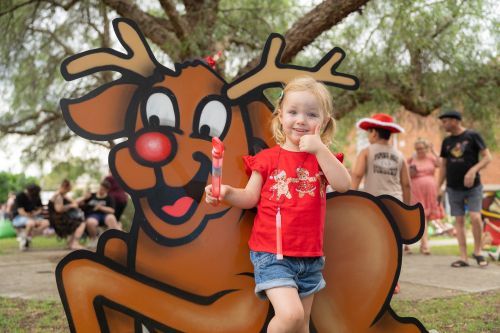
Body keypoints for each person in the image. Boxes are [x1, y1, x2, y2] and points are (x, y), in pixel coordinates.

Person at [205, 76, 351, 333]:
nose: (301, 120)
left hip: (311, 256)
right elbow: (251, 198)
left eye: (311, 114)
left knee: (302, 325)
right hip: (273, 254)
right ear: (280, 116)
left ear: (324, 121)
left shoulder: (323, 160)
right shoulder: (268, 159)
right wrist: (227, 192)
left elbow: (344, 184)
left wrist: (320, 150)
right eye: (293, 112)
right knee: (291, 316)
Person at [351, 113, 411, 294]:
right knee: (393, 244)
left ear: (375, 133)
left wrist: (351, 198)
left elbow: (356, 175)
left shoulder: (367, 152)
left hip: (374, 204)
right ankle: (394, 282)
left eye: (369, 133)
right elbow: (407, 184)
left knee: (371, 242)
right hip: (395, 203)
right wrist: (406, 207)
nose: (368, 137)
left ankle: (372, 279)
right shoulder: (400, 156)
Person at [437, 110, 492, 268]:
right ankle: (463, 257)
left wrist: (473, 170)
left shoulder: (472, 136)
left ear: (455, 121)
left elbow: (488, 157)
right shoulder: (446, 141)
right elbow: (443, 166)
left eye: (445, 121)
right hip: (453, 187)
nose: (444, 124)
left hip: (473, 186)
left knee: (475, 217)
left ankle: (478, 252)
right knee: (459, 221)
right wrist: (438, 187)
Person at [407, 138, 445, 254]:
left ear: (426, 148)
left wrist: (433, 151)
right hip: (416, 190)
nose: (420, 151)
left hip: (430, 191)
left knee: (426, 217)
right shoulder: (412, 159)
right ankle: (423, 245)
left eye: (422, 148)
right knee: (420, 215)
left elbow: (442, 163)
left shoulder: (431, 157)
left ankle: (423, 244)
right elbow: (404, 171)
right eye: (417, 149)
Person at [79, 179, 121, 248]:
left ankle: (115, 240)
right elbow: (81, 204)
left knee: (111, 218)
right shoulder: (92, 195)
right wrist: (84, 198)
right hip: (94, 215)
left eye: (103, 189)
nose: (100, 190)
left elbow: (112, 210)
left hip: (105, 215)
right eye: (100, 188)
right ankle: (94, 239)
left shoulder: (109, 198)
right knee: (90, 222)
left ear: (107, 190)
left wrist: (101, 207)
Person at [48, 179, 86, 250]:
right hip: (58, 219)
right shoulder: (58, 196)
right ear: (66, 187)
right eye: (69, 189)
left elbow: (73, 201)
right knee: (81, 223)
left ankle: (70, 244)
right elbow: (59, 209)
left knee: (77, 220)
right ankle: (75, 243)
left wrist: (83, 198)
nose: (70, 190)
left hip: (60, 217)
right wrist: (71, 206)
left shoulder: (62, 195)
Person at [11, 184, 50, 251]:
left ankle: (27, 236)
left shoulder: (36, 196)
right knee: (31, 223)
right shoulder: (20, 196)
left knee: (46, 223)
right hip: (18, 218)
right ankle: (24, 241)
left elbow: (40, 208)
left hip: (33, 217)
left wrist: (35, 213)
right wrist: (32, 218)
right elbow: (21, 212)